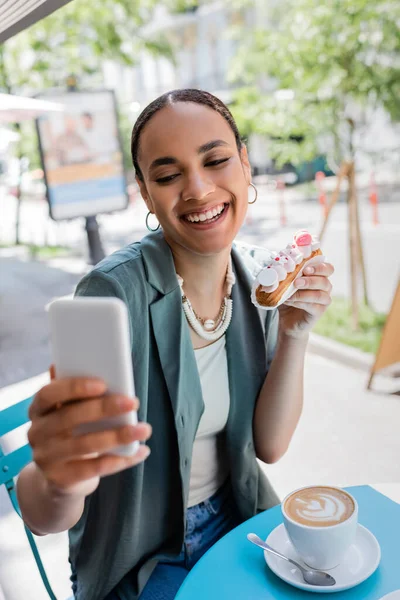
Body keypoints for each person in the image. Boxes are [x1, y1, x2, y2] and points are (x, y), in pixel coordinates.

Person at [17, 89, 334, 600]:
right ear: (145, 193)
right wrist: (58, 477)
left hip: (240, 520)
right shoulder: (112, 295)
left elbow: (270, 448)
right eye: (167, 176)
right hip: (142, 554)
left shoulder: (257, 280)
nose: (199, 188)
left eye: (216, 160)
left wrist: (296, 330)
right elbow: (47, 511)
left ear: (245, 163)